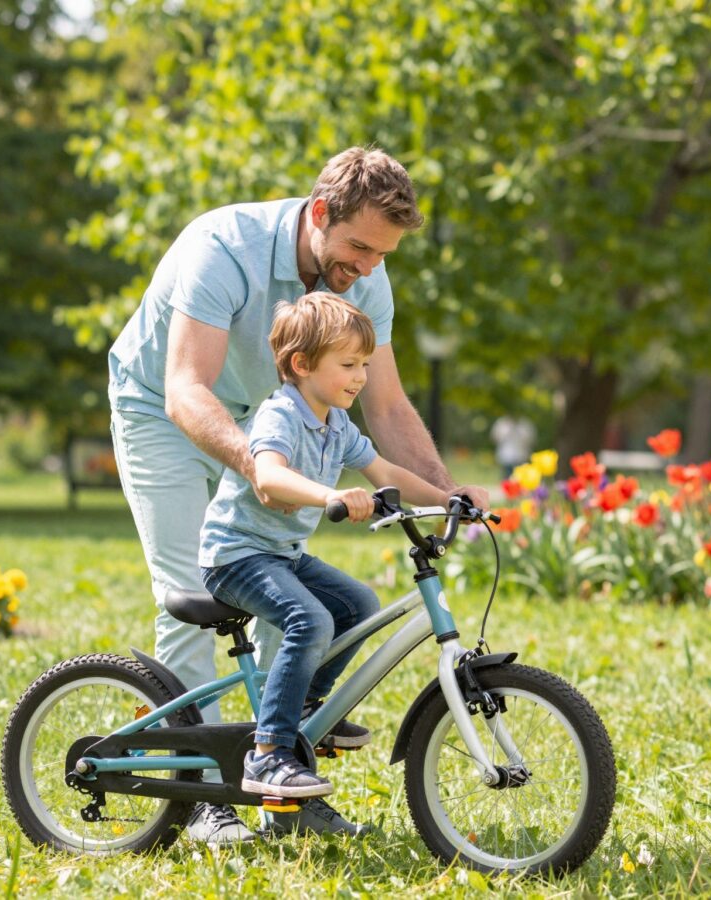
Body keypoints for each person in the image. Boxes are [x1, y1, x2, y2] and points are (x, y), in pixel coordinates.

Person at [108, 146, 488, 843]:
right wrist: (264, 470)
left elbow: (388, 407)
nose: (369, 267)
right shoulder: (225, 247)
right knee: (198, 595)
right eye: (359, 248)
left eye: (383, 254)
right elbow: (186, 389)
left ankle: (285, 771)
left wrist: (443, 490)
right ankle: (200, 801)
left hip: (272, 424)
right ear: (319, 213)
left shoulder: (366, 278)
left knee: (293, 602)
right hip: (163, 412)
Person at [201, 294, 455, 802]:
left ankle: (308, 710)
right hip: (236, 555)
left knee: (358, 605)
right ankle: (270, 753)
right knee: (311, 620)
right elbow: (269, 476)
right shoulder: (281, 416)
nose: (361, 376)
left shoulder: (337, 425)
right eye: (348, 364)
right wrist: (331, 495)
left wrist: (452, 498)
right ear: (301, 365)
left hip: (282, 553)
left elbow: (388, 474)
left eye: (364, 363)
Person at [490, 414, 535, 479]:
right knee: (507, 479)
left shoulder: (525, 423)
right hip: (506, 456)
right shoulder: (502, 423)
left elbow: (530, 440)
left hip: (521, 456)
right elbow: (495, 438)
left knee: (520, 480)